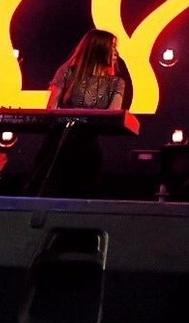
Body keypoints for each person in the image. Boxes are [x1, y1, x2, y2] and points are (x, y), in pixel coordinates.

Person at [25, 29, 126, 198]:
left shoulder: (116, 83)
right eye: (113, 47)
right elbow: (52, 108)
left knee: (83, 191)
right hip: (59, 141)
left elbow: (112, 115)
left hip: (87, 145)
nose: (116, 53)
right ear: (98, 48)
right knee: (46, 187)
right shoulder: (67, 72)